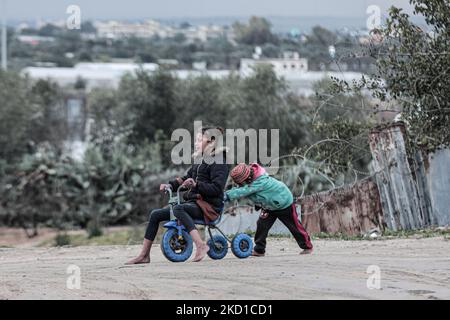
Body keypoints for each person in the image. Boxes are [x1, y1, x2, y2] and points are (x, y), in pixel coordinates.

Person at [126, 126, 229, 264]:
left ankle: (201, 245)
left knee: (178, 209)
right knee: (155, 214)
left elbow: (217, 189)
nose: (196, 143)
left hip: (209, 207)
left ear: (211, 142)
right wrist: (170, 185)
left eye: (199, 140)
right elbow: (185, 178)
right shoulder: (200, 161)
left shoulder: (219, 162)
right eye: (196, 140)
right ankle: (144, 255)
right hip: (195, 204)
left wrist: (196, 185)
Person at [225, 163, 313, 256]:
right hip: (269, 206)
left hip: (284, 203)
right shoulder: (250, 182)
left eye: (241, 182)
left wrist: (227, 195)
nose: (240, 185)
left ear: (247, 178)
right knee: (261, 225)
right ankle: (259, 250)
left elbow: (245, 191)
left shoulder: (260, 181)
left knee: (294, 226)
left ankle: (307, 246)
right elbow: (245, 190)